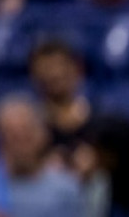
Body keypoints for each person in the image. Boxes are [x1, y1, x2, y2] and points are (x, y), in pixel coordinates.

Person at [0, 94, 84, 217]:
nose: (19, 146)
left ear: (42, 136)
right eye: (11, 137)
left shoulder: (65, 189)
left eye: (25, 135)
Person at [28, 40, 94, 169]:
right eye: (47, 68)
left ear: (77, 69)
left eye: (60, 66)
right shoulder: (30, 126)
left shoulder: (99, 118)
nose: (54, 73)